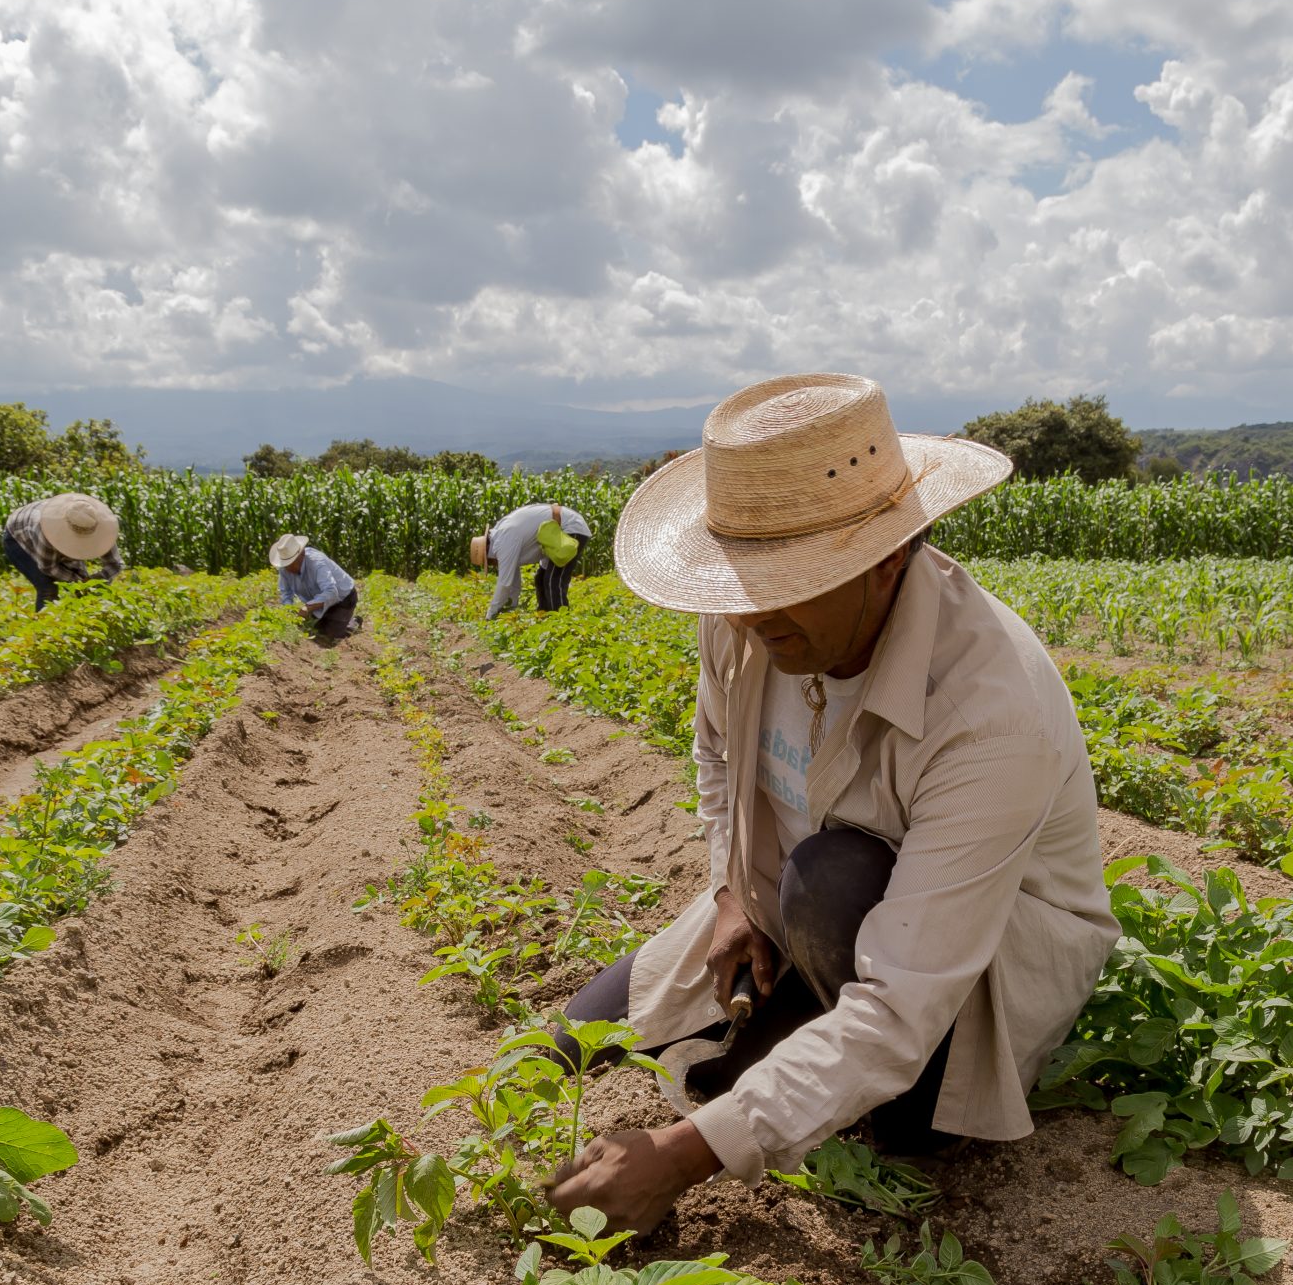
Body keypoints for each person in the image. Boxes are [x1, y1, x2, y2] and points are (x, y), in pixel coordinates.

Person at [546, 372, 1118, 1235]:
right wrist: (733, 889)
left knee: (830, 879)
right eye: (742, 580)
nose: (748, 611)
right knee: (571, 1040)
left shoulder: (991, 712)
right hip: (790, 911)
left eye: (787, 579)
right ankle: (788, 1019)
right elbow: (713, 751)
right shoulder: (744, 620)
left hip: (958, 975)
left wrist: (681, 1156)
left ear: (888, 557)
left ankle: (893, 1116)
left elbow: (898, 1010)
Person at [0, 492, 123, 610]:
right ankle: (45, 628)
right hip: (18, 537)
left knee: (83, 589)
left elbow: (114, 564)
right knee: (48, 588)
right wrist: (79, 581)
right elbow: (48, 567)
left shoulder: (100, 526)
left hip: (38, 532)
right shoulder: (46, 532)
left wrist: (95, 581)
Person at [475, 501, 590, 617]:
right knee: (540, 578)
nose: (493, 565)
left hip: (571, 528)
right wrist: (511, 606)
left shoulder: (503, 543)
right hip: (553, 537)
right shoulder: (501, 538)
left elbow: (505, 583)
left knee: (553, 580)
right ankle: (545, 617)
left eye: (488, 562)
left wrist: (491, 613)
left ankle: (561, 622)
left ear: (488, 551)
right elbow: (513, 583)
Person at [270, 533, 360, 639]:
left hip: (343, 598)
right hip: (319, 601)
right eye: (286, 564)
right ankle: (335, 620)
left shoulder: (316, 563)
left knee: (332, 636)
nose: (288, 569)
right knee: (317, 630)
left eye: (291, 563)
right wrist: (289, 612)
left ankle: (354, 623)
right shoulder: (284, 568)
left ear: (301, 554)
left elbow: (331, 591)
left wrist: (308, 608)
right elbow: (286, 594)